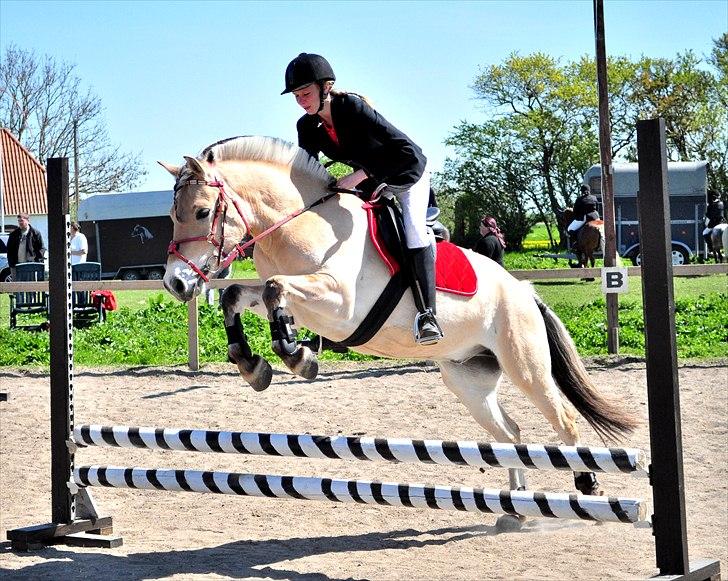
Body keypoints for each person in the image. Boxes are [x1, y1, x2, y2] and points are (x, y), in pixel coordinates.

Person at [282, 52, 443, 345]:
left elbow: (407, 151)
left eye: (305, 93)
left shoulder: (352, 107)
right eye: (296, 96)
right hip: (373, 180)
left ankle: (427, 315)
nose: (301, 101)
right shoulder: (306, 126)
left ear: (325, 87)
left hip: (406, 173)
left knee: (414, 231)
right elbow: (308, 171)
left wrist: (358, 176)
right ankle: (330, 329)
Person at [7, 213, 46, 280]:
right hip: (16, 265)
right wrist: (11, 263)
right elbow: (9, 250)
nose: (20, 223)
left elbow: (41, 248)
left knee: (30, 288)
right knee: (17, 288)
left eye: (22, 220)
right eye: (19, 221)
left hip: (30, 266)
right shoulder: (13, 234)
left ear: (28, 221)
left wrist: (37, 261)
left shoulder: (35, 233)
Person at [567, 185, 600, 249]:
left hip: (586, 218)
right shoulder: (594, 198)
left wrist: (576, 217)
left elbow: (575, 211)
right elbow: (597, 208)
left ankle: (576, 243)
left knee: (570, 229)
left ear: (581, 192)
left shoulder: (579, 199)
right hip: (596, 218)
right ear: (589, 190)